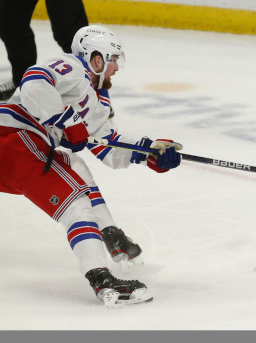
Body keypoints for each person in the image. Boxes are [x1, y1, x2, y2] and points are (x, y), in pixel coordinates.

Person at [0, 24, 182, 308]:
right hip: (13, 140)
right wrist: (65, 121)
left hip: (15, 151)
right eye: (113, 60)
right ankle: (101, 278)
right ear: (96, 58)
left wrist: (149, 151)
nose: (116, 69)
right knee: (77, 206)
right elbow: (34, 79)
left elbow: (107, 146)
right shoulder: (73, 68)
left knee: (75, 163)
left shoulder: (95, 103)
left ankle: (109, 233)